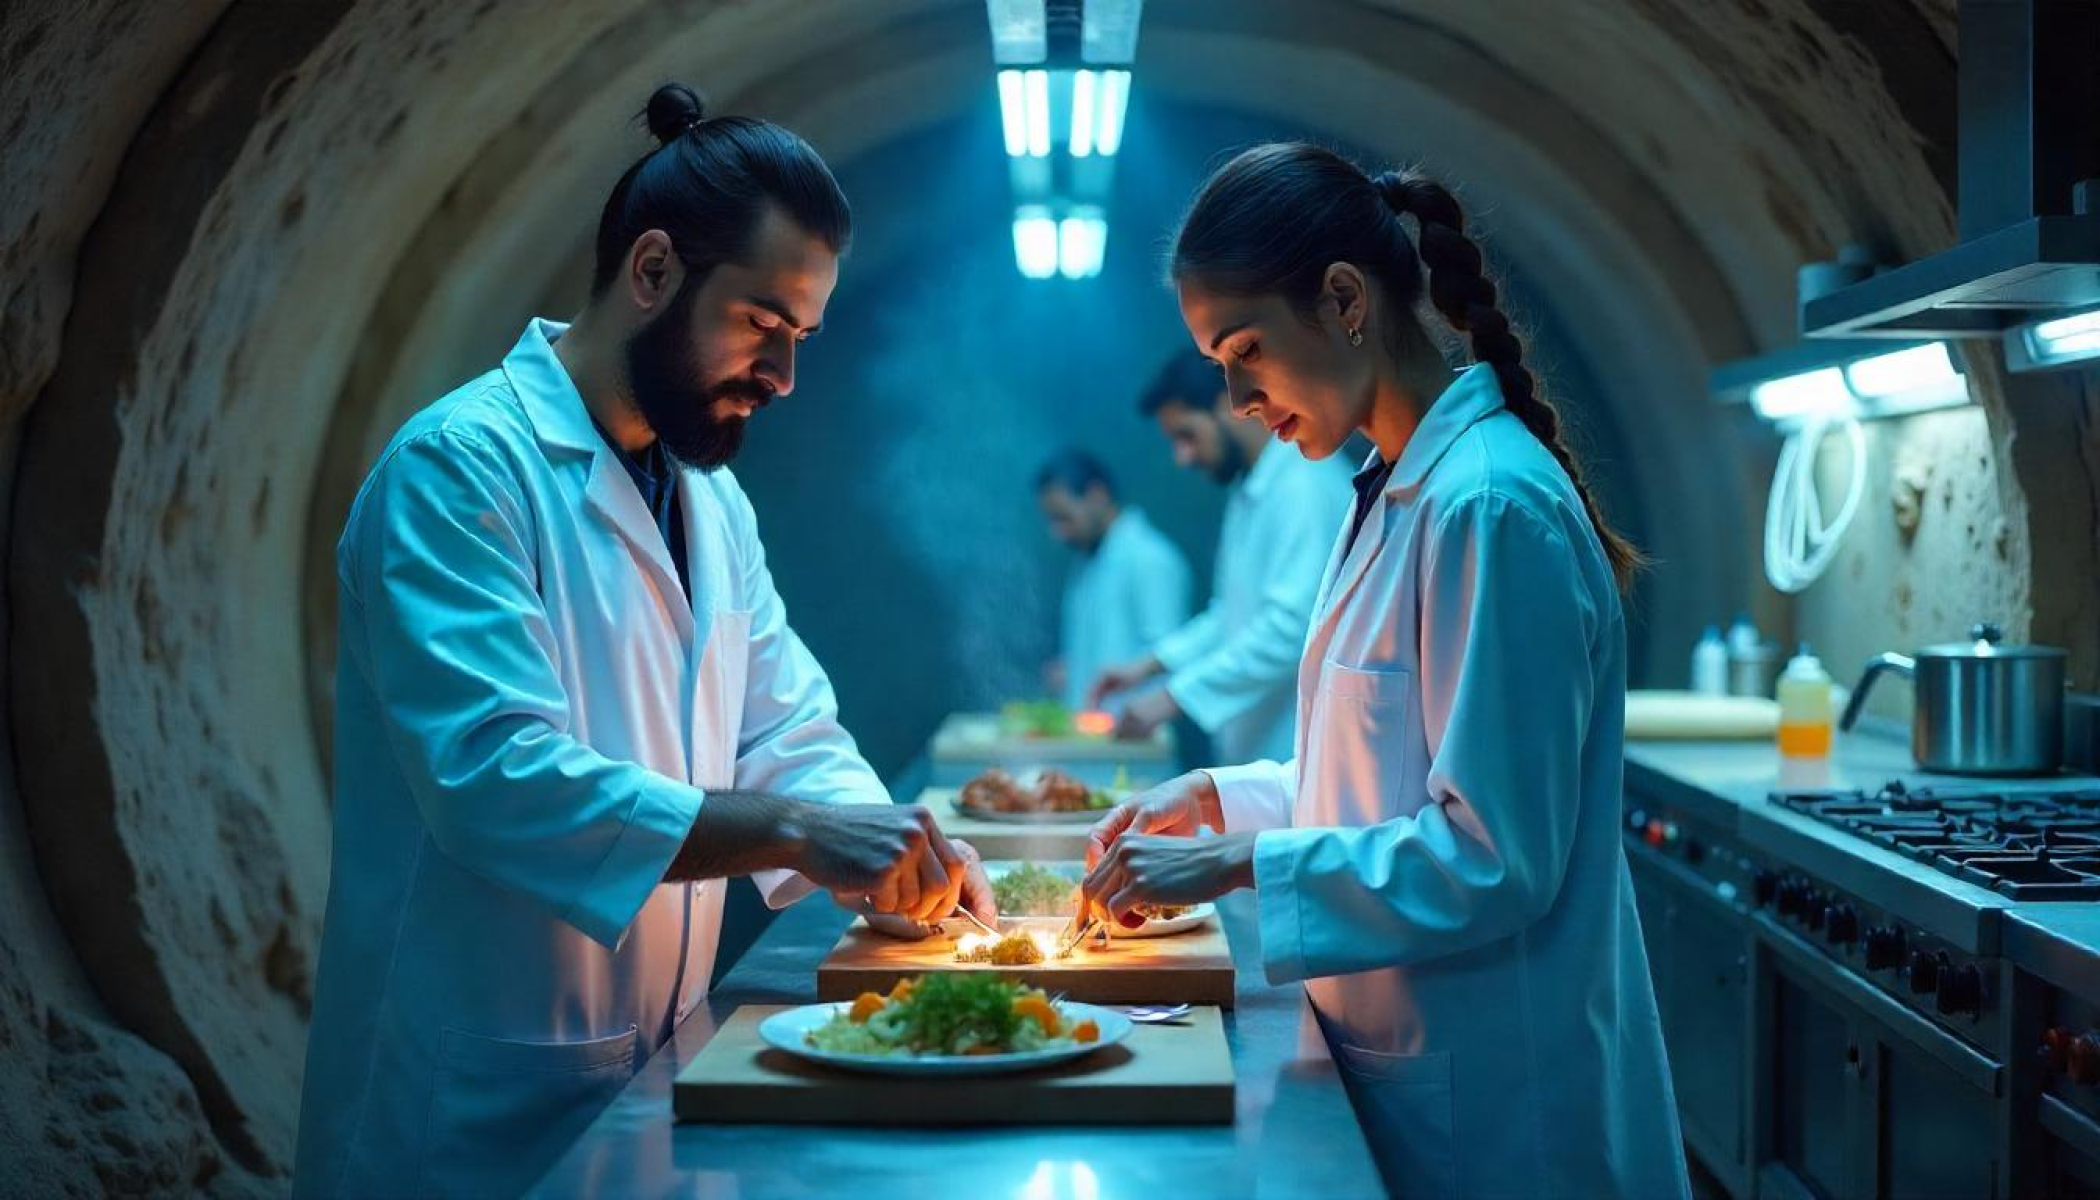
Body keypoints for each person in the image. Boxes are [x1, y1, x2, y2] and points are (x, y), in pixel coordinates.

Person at [295, 84, 992, 1200]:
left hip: (652, 1071)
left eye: (802, 338)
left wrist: (894, 859)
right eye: (763, 324)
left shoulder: (710, 501)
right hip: (471, 1103)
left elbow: (784, 726)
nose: (784, 376)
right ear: (654, 270)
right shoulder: (459, 471)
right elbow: (495, 779)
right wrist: (800, 831)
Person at [1080, 143, 1690, 1200]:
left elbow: (1491, 855)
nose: (1236, 396)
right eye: (1219, 362)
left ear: (1344, 300)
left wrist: (1239, 865)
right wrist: (1220, 799)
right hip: (1408, 1061)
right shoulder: (1393, 492)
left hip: (1500, 1105)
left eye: (1246, 350)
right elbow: (1377, 777)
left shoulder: (1489, 508)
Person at [1088, 352, 1352, 761]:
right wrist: (1151, 666)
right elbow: (1232, 614)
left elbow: (1291, 628)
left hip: (1301, 750)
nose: (1183, 456)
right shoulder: (1251, 487)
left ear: (1229, 405)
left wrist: (1174, 696)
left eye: (1186, 435)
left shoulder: (1304, 483)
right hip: (1259, 750)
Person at [1034, 449, 1191, 715]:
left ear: (1097, 495)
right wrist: (1074, 670)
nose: (1059, 532)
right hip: (1092, 733)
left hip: (1135, 737)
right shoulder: (1088, 562)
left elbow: (1170, 658)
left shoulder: (1150, 558)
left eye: (1064, 517)